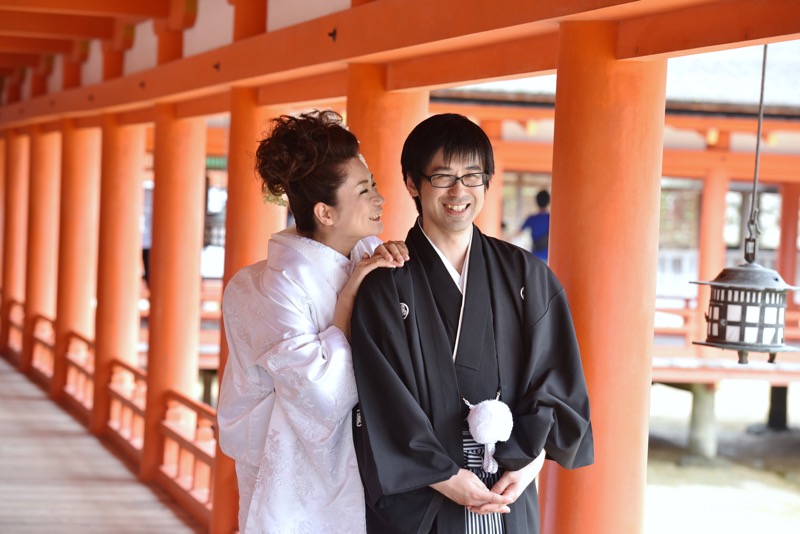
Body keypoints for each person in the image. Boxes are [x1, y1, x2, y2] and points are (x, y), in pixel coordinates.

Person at [350, 113, 593, 533]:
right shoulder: (386, 283)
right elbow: (379, 401)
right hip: (423, 500)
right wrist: (447, 477)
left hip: (506, 491)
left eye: (473, 176)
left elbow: (558, 384)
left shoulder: (526, 276)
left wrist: (531, 464)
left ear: (487, 181)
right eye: (442, 177)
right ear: (412, 182)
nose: (459, 192)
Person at [216, 110, 409, 533]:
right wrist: (350, 296)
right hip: (291, 470)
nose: (380, 199)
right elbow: (322, 395)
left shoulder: (366, 254)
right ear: (325, 212)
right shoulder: (272, 289)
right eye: (364, 191)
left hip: (367, 464)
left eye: (373, 184)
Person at [520, 189, 550, 262]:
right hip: (549, 256)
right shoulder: (551, 218)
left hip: (534, 257)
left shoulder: (531, 218)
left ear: (536, 202)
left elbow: (518, 233)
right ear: (548, 202)